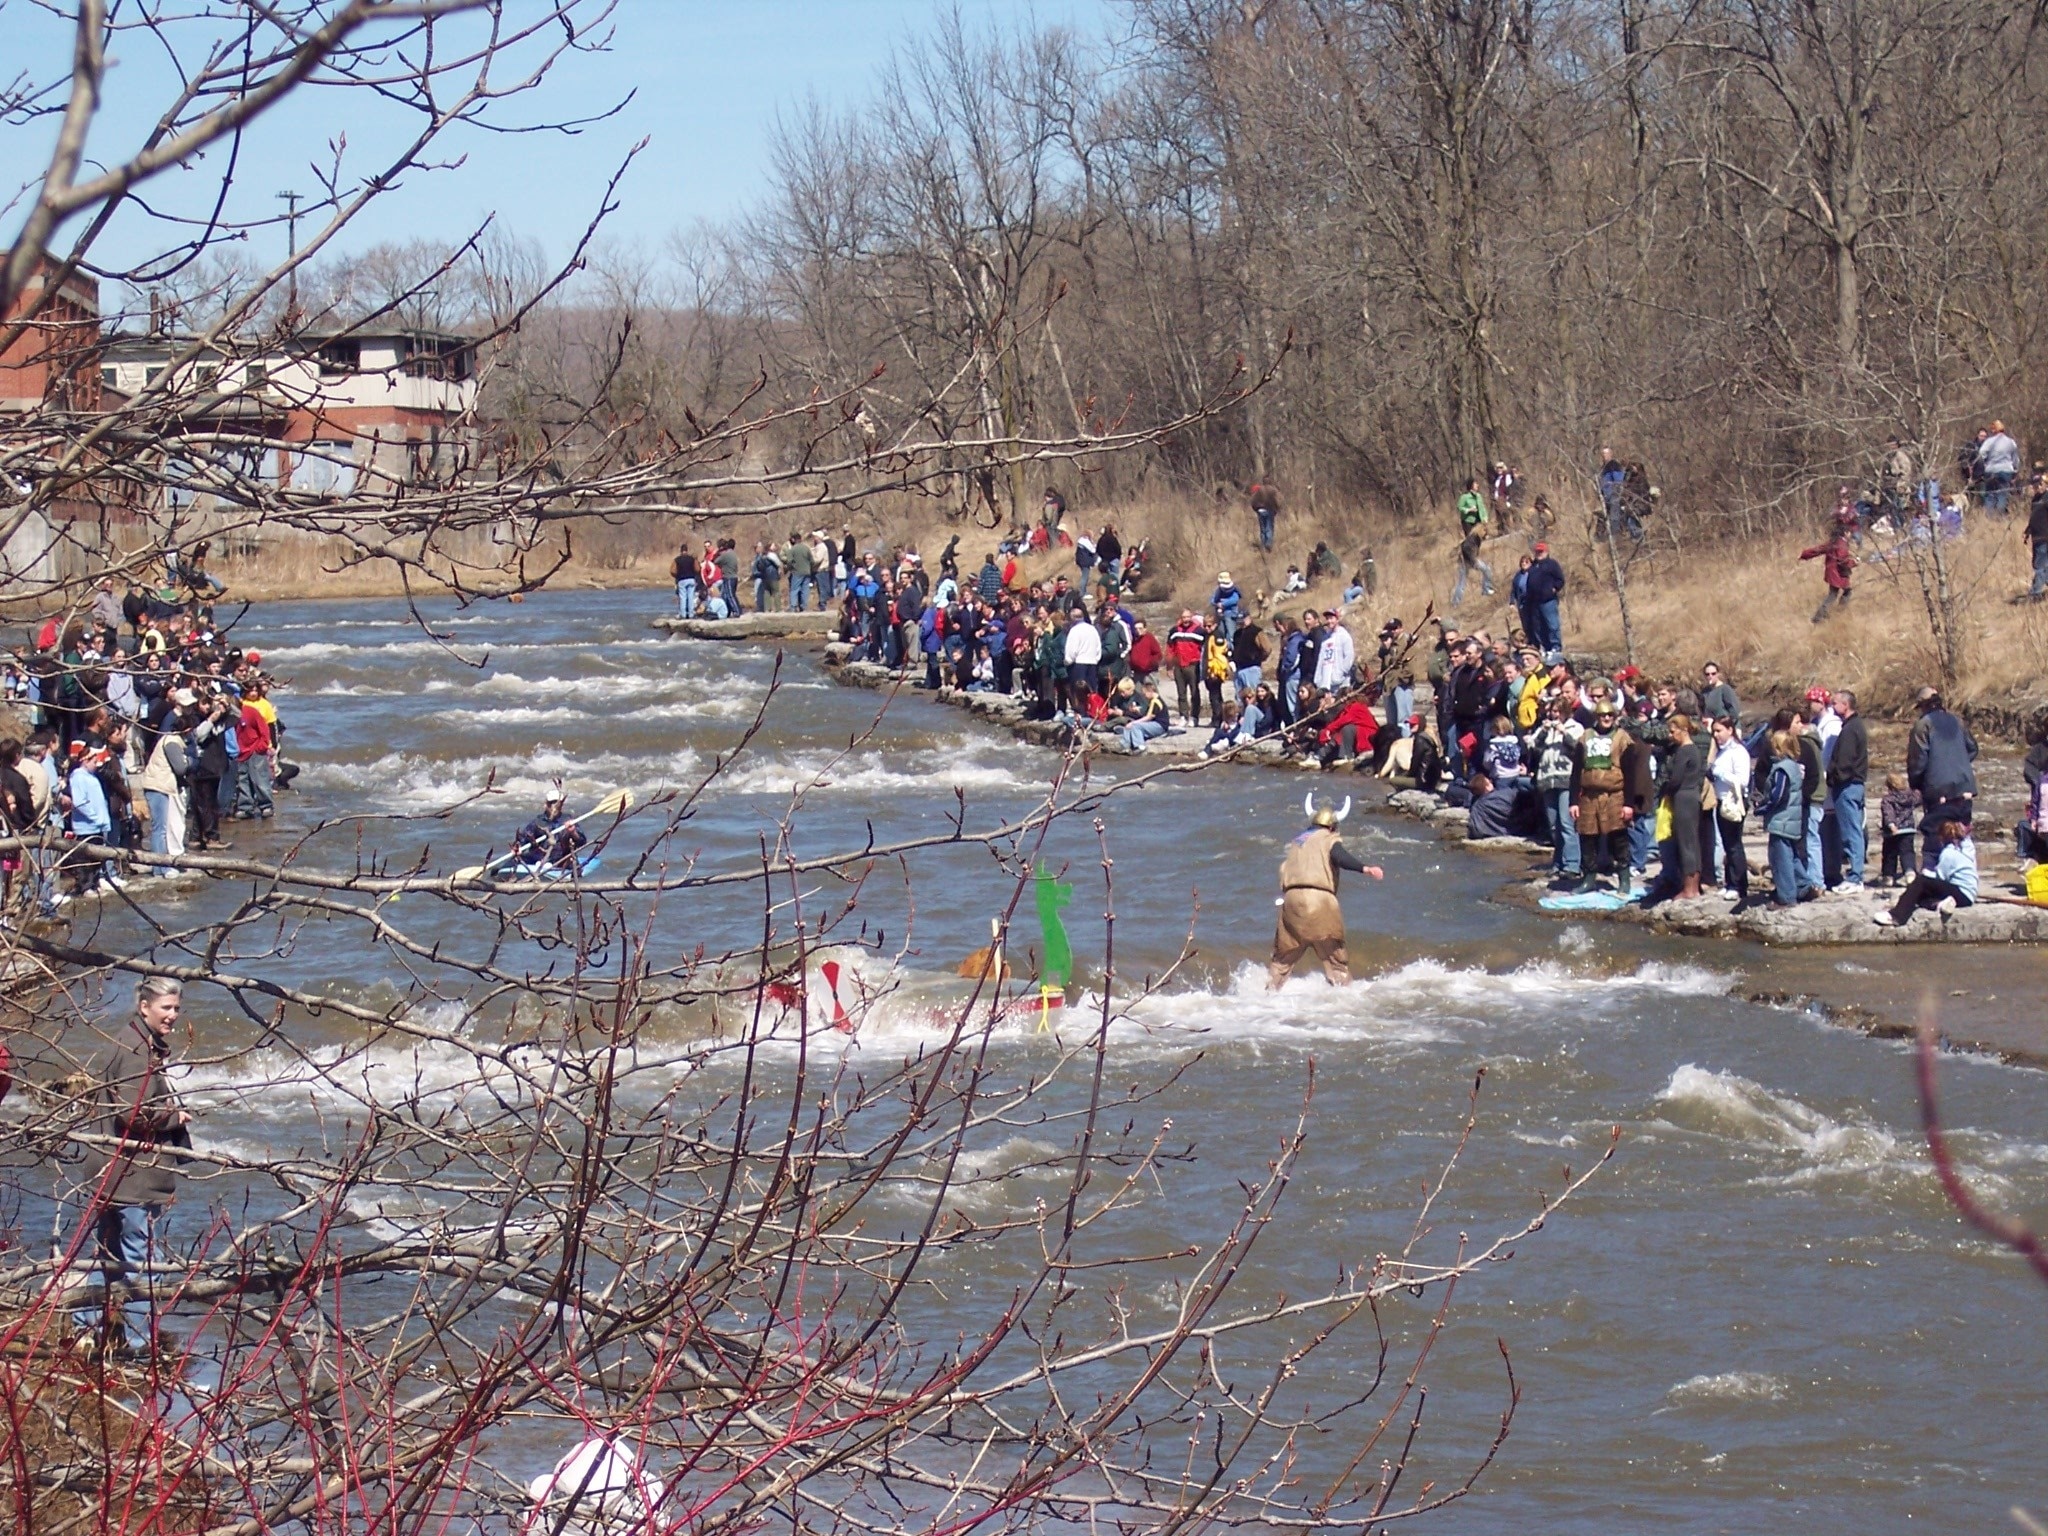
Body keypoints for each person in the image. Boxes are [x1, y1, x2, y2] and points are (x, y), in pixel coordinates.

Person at [71, 977, 191, 1358]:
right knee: (140, 1257)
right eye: (166, 1008)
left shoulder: (130, 1038)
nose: (173, 1015)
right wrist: (176, 1116)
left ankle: (84, 1330)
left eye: (176, 1008)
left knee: (105, 1252)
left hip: (107, 1171)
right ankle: (140, 1346)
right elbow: (133, 1112)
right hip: (130, 1176)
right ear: (144, 1007)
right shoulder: (139, 1050)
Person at [1269, 796, 1383, 989]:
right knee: (1335, 958)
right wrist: (1365, 868)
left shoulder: (1297, 842)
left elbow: (1283, 869)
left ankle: (1266, 995)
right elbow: (1340, 856)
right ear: (1332, 827)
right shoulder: (1329, 839)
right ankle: (1346, 999)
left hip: (1291, 902)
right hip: (1319, 901)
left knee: (1282, 960)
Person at [1569, 697, 1636, 895]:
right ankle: (1589, 878)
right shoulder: (1585, 737)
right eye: (1602, 715)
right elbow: (1576, 771)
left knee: (1618, 838)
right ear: (1596, 717)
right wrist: (1574, 801)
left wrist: (1629, 804)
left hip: (1615, 795)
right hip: (1589, 796)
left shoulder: (1623, 738)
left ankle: (1624, 879)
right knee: (1587, 838)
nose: (1606, 718)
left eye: (1609, 715)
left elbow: (1630, 773)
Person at [1874, 819, 1977, 926]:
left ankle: (1897, 916)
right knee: (1919, 896)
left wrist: (1925, 875)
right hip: (1968, 895)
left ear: (1941, 838)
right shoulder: (1962, 850)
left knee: (1920, 882)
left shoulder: (1948, 854)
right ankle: (1939, 905)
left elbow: (1940, 877)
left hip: (1962, 892)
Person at [1529, 692, 1583, 886]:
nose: (1554, 715)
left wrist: (1563, 733)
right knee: (1554, 825)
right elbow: (1534, 747)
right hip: (1547, 780)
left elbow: (1578, 749)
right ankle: (1558, 862)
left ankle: (1572, 865)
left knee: (1567, 823)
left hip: (1566, 780)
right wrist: (1544, 731)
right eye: (1552, 712)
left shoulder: (1576, 728)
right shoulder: (1545, 728)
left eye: (1558, 712)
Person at [1906, 685, 1977, 832]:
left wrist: (1916, 785)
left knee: (1936, 835)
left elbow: (1918, 762)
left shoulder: (1923, 725)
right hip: (1964, 786)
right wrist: (1958, 764)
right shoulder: (1957, 721)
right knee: (1962, 833)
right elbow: (1973, 749)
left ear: (1923, 706)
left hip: (1938, 789)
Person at [1758, 729, 1807, 907]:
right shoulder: (1794, 766)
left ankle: (1786, 897)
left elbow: (1778, 796)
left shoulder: (1781, 769)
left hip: (1782, 820)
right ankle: (1803, 886)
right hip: (1792, 819)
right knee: (1792, 855)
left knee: (1780, 858)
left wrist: (1762, 808)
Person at [1826, 689, 1868, 890]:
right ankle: (1855, 874)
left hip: (1848, 786)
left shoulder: (1851, 730)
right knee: (1852, 831)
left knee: (1852, 832)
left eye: (1835, 703)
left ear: (1845, 705)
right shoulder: (1852, 726)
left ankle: (1855, 877)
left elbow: (1845, 761)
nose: (1832, 707)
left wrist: (1833, 779)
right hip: (1852, 785)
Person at [1708, 714, 1751, 905]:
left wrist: (1718, 772)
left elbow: (1742, 781)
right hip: (1721, 801)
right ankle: (1729, 882)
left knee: (1734, 844)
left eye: (1719, 731)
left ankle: (1739, 885)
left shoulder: (1739, 751)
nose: (1716, 735)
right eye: (1714, 731)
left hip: (1734, 802)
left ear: (1730, 730)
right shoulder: (1721, 751)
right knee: (1726, 844)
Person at [515, 789, 587, 872]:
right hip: (540, 860)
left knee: (573, 863)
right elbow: (523, 840)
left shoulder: (568, 820)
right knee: (517, 859)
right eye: (551, 803)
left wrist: (573, 832)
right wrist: (518, 848)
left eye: (557, 803)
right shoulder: (537, 822)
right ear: (546, 804)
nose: (554, 806)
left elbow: (582, 842)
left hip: (562, 860)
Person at [1800, 525, 1856, 621]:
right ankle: (1821, 616)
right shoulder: (1842, 544)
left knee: (1842, 591)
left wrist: (1804, 554)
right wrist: (1854, 562)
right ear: (1845, 533)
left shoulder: (1833, 542)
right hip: (1838, 574)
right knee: (1836, 594)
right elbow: (1842, 561)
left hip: (1832, 573)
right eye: (1850, 533)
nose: (1851, 535)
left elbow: (1817, 550)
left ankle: (1829, 614)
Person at [1452, 478, 1493, 607]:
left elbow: (1482, 509)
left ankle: (1455, 603)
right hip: (1468, 522)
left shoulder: (1479, 496)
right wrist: (1469, 510)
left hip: (1478, 522)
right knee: (1482, 570)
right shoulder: (1465, 497)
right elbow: (1460, 508)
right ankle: (1485, 590)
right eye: (1476, 484)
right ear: (1470, 486)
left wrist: (1485, 519)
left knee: (1462, 579)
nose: (1478, 485)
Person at [1878, 772, 1921, 885]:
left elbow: (1888, 813)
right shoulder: (1911, 796)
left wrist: (1891, 824)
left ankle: (1888, 876)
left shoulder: (1888, 799)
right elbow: (1919, 798)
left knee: (1889, 854)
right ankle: (1910, 872)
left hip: (1892, 832)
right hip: (1908, 829)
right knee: (1907, 852)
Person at [1524, 542, 1566, 654]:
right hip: (1535, 602)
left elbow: (1560, 580)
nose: (1539, 553)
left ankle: (1556, 647)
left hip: (1548, 600)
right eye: (1537, 551)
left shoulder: (1552, 564)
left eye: (1541, 551)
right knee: (1539, 627)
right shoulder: (1533, 566)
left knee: (1552, 625)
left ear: (1546, 551)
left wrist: (1553, 589)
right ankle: (1546, 647)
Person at [1167, 611, 1205, 726]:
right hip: (1178, 665)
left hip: (1193, 665)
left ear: (1191, 617)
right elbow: (1170, 648)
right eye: (1184, 617)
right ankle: (1183, 716)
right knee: (1181, 693)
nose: (1186, 620)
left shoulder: (1199, 631)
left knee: (1194, 692)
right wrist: (1169, 665)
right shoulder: (1174, 631)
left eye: (1188, 617)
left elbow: (1205, 648)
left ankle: (1194, 716)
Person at [1975, 419, 2020, 515]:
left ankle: (1989, 518)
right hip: (2006, 471)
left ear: (1993, 430)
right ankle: (1999, 518)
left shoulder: (1989, 441)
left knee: (1990, 495)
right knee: (2002, 494)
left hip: (1990, 470)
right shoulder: (2011, 442)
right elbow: (2016, 460)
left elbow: (1981, 454)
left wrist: (1984, 466)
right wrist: (2015, 471)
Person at [1312, 610, 1355, 695]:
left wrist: (1341, 673)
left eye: (1331, 618)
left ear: (1337, 619)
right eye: (1327, 619)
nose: (1329, 621)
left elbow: (1349, 656)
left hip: (1340, 682)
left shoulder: (1344, 636)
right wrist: (1318, 677)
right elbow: (1321, 658)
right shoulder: (1326, 638)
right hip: (1326, 682)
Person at [2027, 467, 2048, 601]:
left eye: (2040, 484)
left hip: (2045, 537)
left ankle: (2035, 593)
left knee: (2039, 566)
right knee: (2040, 564)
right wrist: (2027, 530)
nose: (2038, 487)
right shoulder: (2035, 500)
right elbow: (2033, 518)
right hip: (2036, 537)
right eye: (2035, 485)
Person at [1698, 662, 1739, 726]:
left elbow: (1734, 712)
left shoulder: (1725, 689)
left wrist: (1724, 723)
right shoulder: (1704, 691)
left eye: (1713, 674)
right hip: (1710, 727)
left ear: (1718, 674)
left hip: (1726, 727)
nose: (1710, 676)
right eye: (1707, 674)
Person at [1249, 482, 1280, 552]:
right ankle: (1268, 544)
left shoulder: (1259, 490)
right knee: (1269, 527)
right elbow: (1276, 501)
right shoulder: (1273, 490)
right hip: (1270, 510)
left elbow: (1253, 502)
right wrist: (1277, 509)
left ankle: (1263, 544)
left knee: (1263, 528)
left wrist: (1256, 509)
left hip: (1260, 511)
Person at [671, 544, 699, 618]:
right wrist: (694, 574)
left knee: (683, 597)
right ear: (687, 550)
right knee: (690, 597)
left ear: (681, 551)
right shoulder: (692, 559)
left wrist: (677, 576)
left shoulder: (677, 559)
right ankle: (691, 614)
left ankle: (683, 614)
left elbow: (672, 571)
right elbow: (697, 569)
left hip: (682, 580)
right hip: (691, 579)